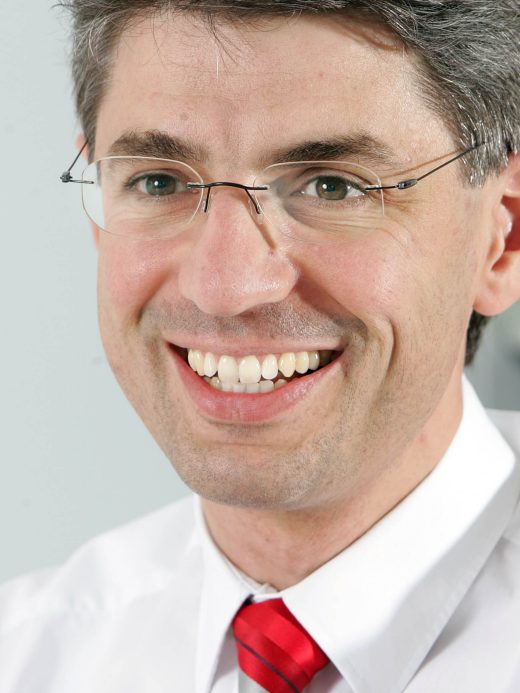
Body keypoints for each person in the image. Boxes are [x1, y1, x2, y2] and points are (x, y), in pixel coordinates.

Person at [1, 1, 520, 691]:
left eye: (332, 186)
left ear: (502, 237)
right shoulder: (25, 655)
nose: (225, 288)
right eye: (158, 182)